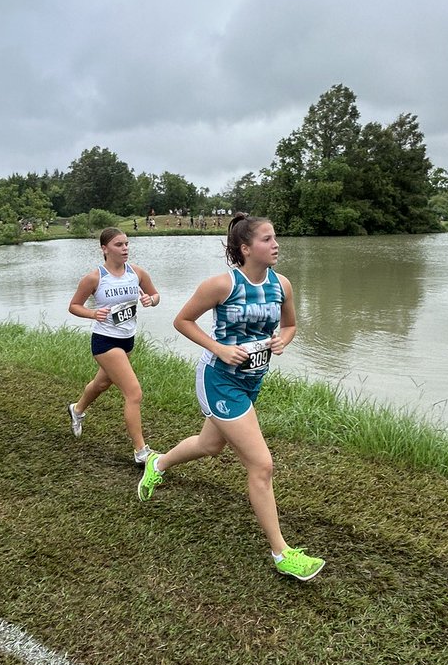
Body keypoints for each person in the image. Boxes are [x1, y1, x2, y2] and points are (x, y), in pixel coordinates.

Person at [137, 213, 325, 582]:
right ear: (245, 248)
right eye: (268, 239)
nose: (276, 244)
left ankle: (156, 464)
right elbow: (182, 321)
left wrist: (281, 341)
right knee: (262, 465)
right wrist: (220, 348)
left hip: (253, 380)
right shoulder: (221, 285)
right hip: (219, 380)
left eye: (276, 238)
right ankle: (282, 553)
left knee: (210, 446)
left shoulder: (282, 284)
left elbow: (290, 326)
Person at [66, 227, 160, 464]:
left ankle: (77, 410)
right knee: (133, 392)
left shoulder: (136, 273)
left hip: (127, 340)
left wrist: (151, 300)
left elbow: (156, 295)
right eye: (119, 245)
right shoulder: (94, 278)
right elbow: (74, 306)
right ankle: (141, 451)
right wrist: (93, 313)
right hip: (105, 341)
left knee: (102, 383)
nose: (125, 248)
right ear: (104, 249)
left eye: (127, 244)